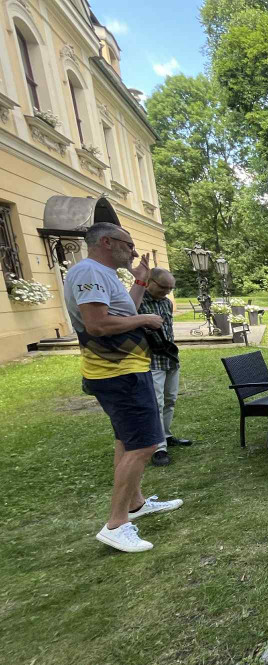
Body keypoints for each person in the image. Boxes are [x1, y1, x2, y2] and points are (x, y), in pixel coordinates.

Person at [64, 223, 183, 553]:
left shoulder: (103, 273)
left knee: (126, 439)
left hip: (125, 368)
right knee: (144, 445)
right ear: (105, 241)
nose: (133, 252)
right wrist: (146, 321)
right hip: (117, 371)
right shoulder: (89, 272)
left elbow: (122, 312)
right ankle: (116, 523)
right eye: (128, 245)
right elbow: (98, 323)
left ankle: (136, 503)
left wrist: (141, 282)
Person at [140, 267, 192, 467]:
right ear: (150, 281)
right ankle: (158, 448)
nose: (167, 292)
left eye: (170, 288)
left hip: (170, 358)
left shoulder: (166, 303)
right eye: (163, 287)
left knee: (170, 399)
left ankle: (167, 435)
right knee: (156, 403)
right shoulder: (137, 302)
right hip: (150, 359)